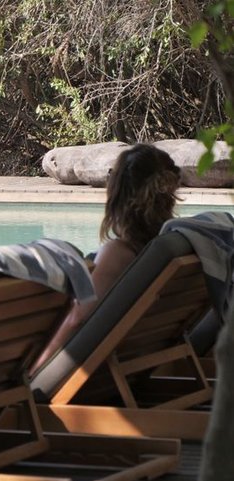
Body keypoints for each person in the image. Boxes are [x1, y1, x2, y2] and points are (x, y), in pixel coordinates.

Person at [29, 143, 182, 373]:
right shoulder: (168, 247)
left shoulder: (118, 253)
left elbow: (77, 320)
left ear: (118, 193)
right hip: (138, 362)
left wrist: (33, 370)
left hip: (96, 371)